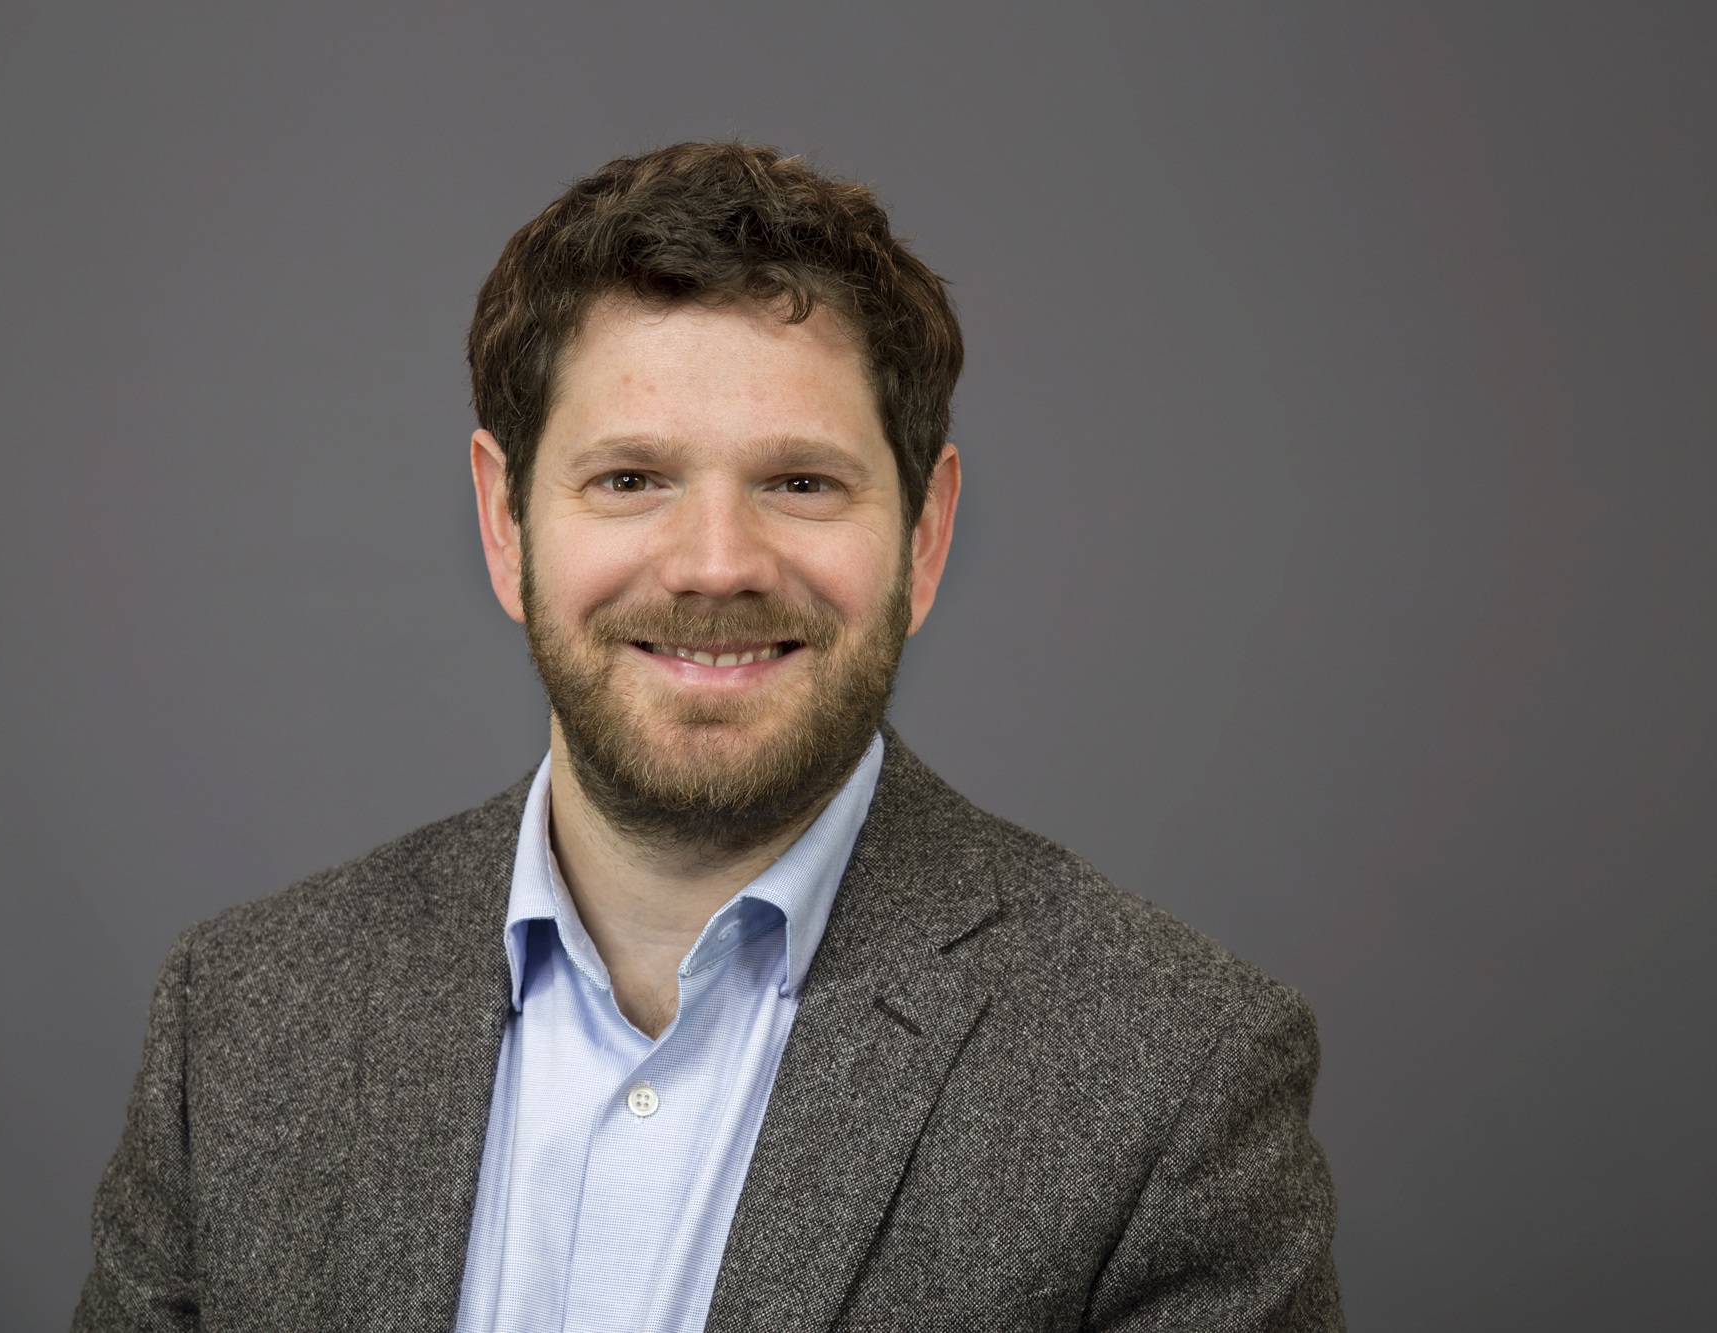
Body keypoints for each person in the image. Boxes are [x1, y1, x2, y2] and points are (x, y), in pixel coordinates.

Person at [73, 141, 1343, 1332]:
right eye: (630, 479)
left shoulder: (1174, 1075)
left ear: (924, 535)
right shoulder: (238, 1020)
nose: (716, 563)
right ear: (505, 525)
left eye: (800, 482)